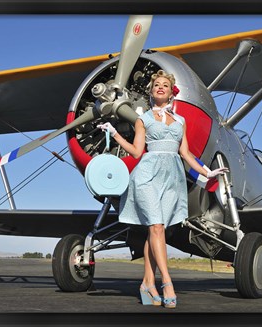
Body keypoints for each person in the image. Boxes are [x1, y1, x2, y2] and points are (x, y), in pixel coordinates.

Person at [97, 69, 228, 308]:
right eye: (156, 84)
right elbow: (137, 152)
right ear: (151, 91)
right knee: (156, 227)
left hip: (172, 179)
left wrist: (207, 173)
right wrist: (115, 134)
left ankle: (147, 284)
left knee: (156, 232)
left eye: (164, 85)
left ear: (170, 93)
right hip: (147, 176)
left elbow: (185, 153)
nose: (160, 87)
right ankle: (167, 282)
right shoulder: (143, 119)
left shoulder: (181, 122)